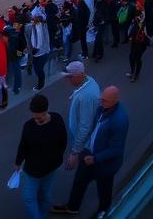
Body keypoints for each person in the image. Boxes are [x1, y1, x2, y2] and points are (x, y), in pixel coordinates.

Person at [52, 86, 129, 217]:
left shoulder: (119, 120)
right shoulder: (102, 109)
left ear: (114, 101)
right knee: (79, 181)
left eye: (104, 100)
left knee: (104, 189)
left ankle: (103, 211)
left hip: (105, 164)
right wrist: (83, 150)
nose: (101, 101)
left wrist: (95, 159)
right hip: (89, 154)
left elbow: (115, 150)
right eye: (101, 98)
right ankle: (72, 208)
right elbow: (94, 130)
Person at [13, 94, 67, 219]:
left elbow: (63, 142)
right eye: (35, 117)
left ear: (46, 111)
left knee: (45, 196)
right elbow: (23, 145)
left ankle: (42, 215)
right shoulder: (29, 126)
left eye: (40, 117)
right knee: (29, 198)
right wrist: (18, 162)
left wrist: (56, 158)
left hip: (49, 169)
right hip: (32, 171)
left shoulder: (57, 120)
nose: (37, 120)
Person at [61, 61, 100, 176]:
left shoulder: (85, 96)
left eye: (70, 77)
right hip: (85, 140)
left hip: (84, 145)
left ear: (79, 76)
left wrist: (75, 152)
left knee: (81, 177)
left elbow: (84, 126)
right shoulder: (90, 81)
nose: (67, 80)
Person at [127, 13, 149, 82]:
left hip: (141, 43)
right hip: (134, 42)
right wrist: (130, 36)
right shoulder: (136, 21)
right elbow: (132, 29)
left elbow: (147, 33)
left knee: (137, 58)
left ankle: (135, 75)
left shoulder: (146, 22)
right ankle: (132, 71)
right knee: (131, 57)